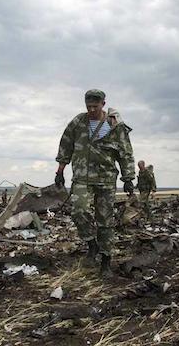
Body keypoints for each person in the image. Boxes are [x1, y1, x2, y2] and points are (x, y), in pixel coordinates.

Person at [55, 89, 135, 278]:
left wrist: (128, 179)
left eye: (95, 106)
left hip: (106, 179)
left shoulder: (115, 125)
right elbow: (65, 145)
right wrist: (60, 171)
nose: (91, 110)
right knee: (78, 210)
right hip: (82, 177)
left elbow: (126, 153)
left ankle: (106, 261)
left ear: (103, 105)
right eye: (88, 106)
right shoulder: (78, 122)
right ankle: (92, 244)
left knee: (105, 221)